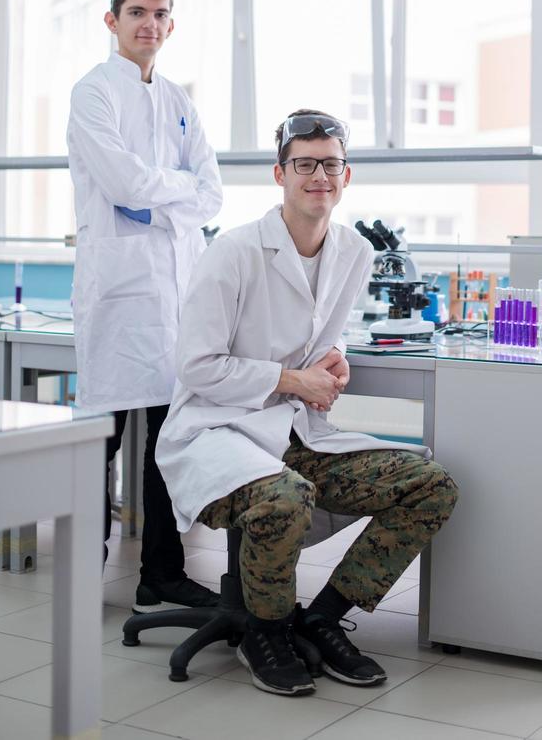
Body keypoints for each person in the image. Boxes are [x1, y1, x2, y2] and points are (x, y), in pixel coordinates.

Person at [156, 109, 459, 695]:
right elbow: (195, 366)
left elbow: (321, 327)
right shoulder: (235, 253)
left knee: (430, 484)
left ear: (347, 177)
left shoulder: (352, 251)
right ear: (280, 174)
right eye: (305, 164)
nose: (319, 175)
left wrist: (334, 355)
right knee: (284, 497)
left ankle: (319, 619)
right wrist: (294, 380)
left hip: (294, 433)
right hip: (218, 433)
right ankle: (265, 631)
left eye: (331, 164)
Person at [67, 0, 223, 612]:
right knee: (96, 444)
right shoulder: (93, 93)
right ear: (113, 20)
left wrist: (163, 198)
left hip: (175, 297)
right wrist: (173, 194)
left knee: (169, 441)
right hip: (117, 294)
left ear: (171, 22)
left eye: (159, 14)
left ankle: (161, 571)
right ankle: (82, 570)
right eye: (137, 12)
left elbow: (210, 194)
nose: (149, 25)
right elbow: (124, 185)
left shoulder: (179, 100)